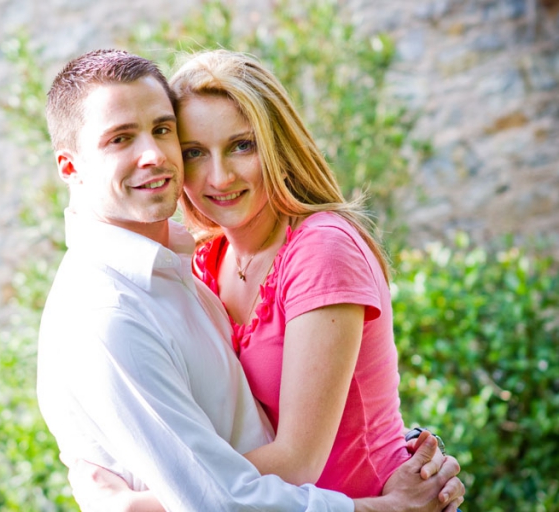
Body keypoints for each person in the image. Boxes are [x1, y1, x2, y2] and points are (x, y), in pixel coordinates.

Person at [37, 48, 464, 511]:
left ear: (276, 146)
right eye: (195, 152)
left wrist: (138, 507)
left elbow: (293, 462)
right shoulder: (201, 263)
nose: (219, 177)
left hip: (379, 499)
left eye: (242, 145)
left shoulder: (320, 249)